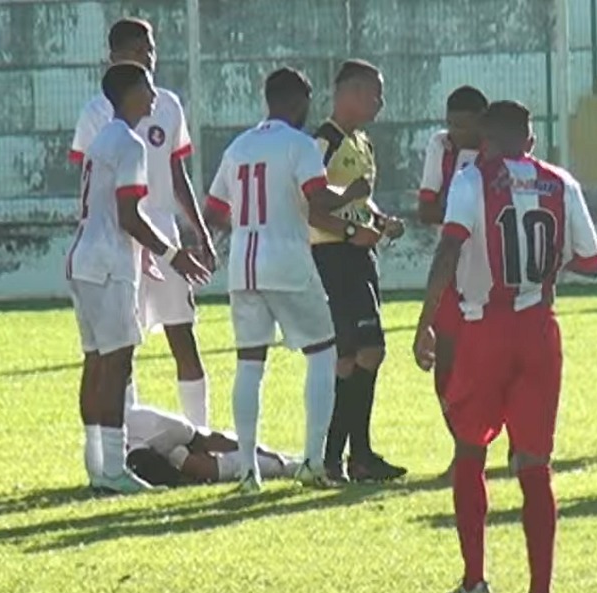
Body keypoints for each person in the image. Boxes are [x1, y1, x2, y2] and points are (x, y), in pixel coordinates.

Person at [412, 101, 597, 593]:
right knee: (535, 465)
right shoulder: (561, 182)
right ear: (531, 142)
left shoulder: (473, 178)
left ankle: (475, 583)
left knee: (470, 452)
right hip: (540, 328)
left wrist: (426, 320)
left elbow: (449, 250)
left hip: (483, 328)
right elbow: (591, 261)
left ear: (486, 142)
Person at [204, 66, 380, 492]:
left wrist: (250, 225)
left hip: (243, 265)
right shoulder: (299, 144)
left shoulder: (239, 146)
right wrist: (351, 195)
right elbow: (318, 198)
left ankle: (248, 471)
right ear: (299, 102)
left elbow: (213, 212)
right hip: (286, 261)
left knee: (249, 364)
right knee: (323, 353)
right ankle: (314, 462)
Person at [68, 61, 211, 494]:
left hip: (84, 258)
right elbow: (130, 216)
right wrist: (171, 254)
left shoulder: (104, 139)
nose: (154, 97)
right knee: (116, 365)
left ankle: (97, 465)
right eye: (147, 88)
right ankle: (113, 468)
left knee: (95, 363)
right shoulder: (129, 144)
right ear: (129, 92)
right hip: (109, 264)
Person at [310, 59, 406, 483]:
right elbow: (311, 203)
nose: (379, 102)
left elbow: (359, 200)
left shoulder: (362, 143)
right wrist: (351, 232)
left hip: (358, 256)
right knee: (362, 352)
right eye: (373, 92)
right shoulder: (324, 140)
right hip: (333, 256)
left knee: (353, 357)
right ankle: (344, 457)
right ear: (348, 92)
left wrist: (380, 221)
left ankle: (347, 458)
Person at [415, 85, 488, 476]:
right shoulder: (441, 147)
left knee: (496, 365)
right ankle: (462, 450)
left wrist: (453, 206)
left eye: (464, 124)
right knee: (446, 367)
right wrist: (465, 207)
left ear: (483, 120)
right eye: (451, 123)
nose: (456, 131)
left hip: (491, 274)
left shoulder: (500, 149)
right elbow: (425, 210)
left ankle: (507, 447)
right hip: (453, 268)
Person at [124, 403, 300, 487]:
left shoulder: (168, 428)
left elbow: (208, 440)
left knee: (191, 455)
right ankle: (280, 464)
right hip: (126, 446)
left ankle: (281, 464)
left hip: (136, 430)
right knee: (187, 462)